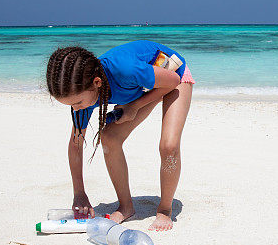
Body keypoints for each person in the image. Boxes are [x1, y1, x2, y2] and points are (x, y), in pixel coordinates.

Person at [45, 40, 194, 231]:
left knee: (168, 145)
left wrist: (134, 106)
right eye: (70, 105)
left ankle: (164, 210)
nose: (75, 109)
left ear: (97, 83)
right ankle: (126, 207)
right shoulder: (81, 94)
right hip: (146, 84)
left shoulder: (125, 70)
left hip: (174, 74)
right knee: (109, 138)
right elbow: (76, 143)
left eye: (78, 102)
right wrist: (79, 193)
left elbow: (172, 81)